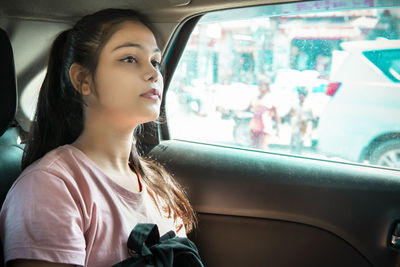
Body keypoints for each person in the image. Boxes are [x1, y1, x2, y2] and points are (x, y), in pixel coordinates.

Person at [0, 9, 196, 267]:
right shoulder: (50, 187)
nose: (153, 74)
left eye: (155, 61)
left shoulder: (158, 188)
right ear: (83, 80)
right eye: (129, 58)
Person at [247, 76, 280, 150]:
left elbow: (277, 116)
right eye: (259, 85)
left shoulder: (271, 99)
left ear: (267, 86)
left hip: (265, 129)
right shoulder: (255, 98)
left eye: (262, 85)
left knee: (262, 149)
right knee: (253, 148)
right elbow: (248, 110)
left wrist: (278, 130)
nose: (260, 87)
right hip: (254, 128)